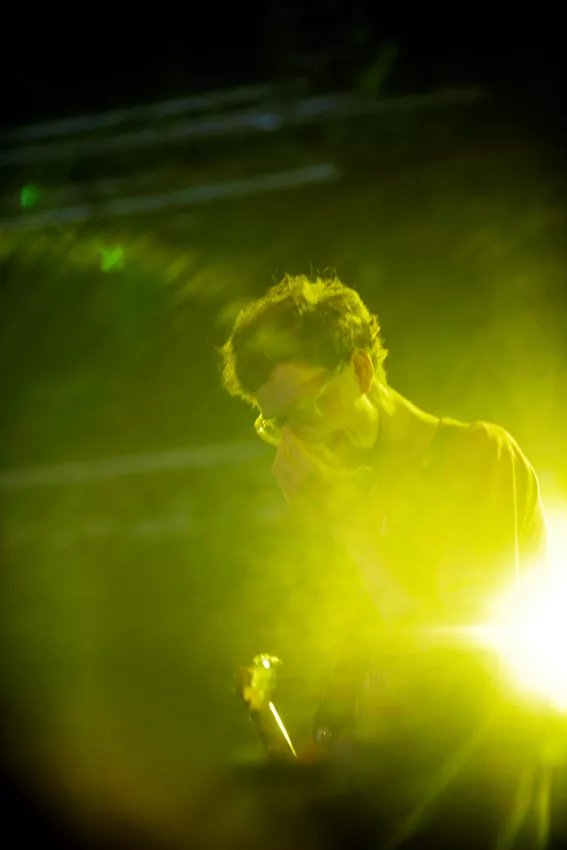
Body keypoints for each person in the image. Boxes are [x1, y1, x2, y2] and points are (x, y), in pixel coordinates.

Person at [220, 273, 549, 755]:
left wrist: (348, 525)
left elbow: (461, 679)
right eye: (282, 423)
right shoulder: (364, 492)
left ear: (360, 370)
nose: (304, 438)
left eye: (309, 408)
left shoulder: (478, 456)